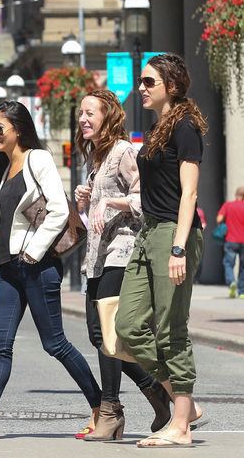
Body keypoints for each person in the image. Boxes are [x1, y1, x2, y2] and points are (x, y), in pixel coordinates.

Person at [0, 100, 101, 441]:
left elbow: (57, 210)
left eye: (0, 128)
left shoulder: (37, 159)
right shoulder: (4, 167)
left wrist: (33, 252)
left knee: (55, 344)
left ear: (19, 130)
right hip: (11, 268)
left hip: (37, 267)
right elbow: (19, 221)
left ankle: (102, 409)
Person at [115, 53, 206, 448]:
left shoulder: (185, 127)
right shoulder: (155, 129)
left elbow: (190, 193)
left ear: (172, 84)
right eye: (141, 81)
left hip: (174, 233)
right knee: (128, 325)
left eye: (149, 82)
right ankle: (187, 404)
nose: (141, 88)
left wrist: (179, 248)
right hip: (147, 232)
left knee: (172, 328)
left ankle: (181, 424)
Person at [74, 89, 170, 441]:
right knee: (99, 335)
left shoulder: (124, 151)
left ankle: (111, 411)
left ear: (107, 116)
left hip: (123, 251)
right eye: (81, 114)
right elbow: (96, 211)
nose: (83, 119)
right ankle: (155, 391)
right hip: (97, 255)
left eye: (90, 113)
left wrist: (111, 201)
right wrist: (87, 199)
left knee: (108, 336)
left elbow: (144, 197)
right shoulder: (95, 159)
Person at [217, 187, 244, 298]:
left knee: (228, 264)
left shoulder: (228, 205)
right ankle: (242, 292)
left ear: (236, 194)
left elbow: (219, 219)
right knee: (243, 267)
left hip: (231, 240)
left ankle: (231, 282)